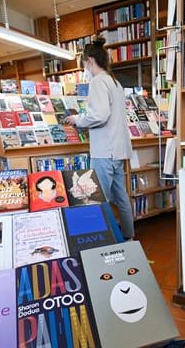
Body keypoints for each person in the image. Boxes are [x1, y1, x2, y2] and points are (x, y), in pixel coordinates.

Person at [64, 36, 135, 241]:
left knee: (99, 197)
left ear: (89, 61)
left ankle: (106, 238)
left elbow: (99, 115)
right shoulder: (115, 82)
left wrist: (77, 119)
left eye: (83, 65)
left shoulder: (98, 82)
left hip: (104, 150)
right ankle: (128, 236)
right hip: (118, 150)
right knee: (121, 196)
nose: (84, 71)